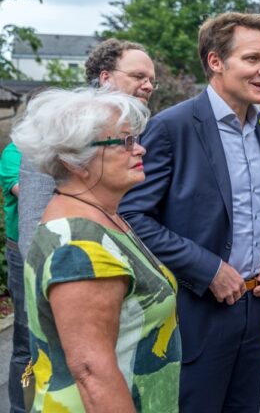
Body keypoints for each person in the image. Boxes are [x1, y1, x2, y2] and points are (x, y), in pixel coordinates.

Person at [119, 12, 260, 412]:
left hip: (255, 310)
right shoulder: (171, 126)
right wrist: (208, 269)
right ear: (216, 62)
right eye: (252, 59)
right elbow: (132, 218)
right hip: (197, 315)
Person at [11, 38, 156, 413]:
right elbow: (92, 371)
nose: (148, 84)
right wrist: (47, 301)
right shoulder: (77, 241)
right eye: (127, 142)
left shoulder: (103, 205)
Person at [0, 140, 24, 412]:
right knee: (25, 341)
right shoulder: (14, 153)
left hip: (56, 248)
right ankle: (19, 407)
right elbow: (25, 192)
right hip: (21, 252)